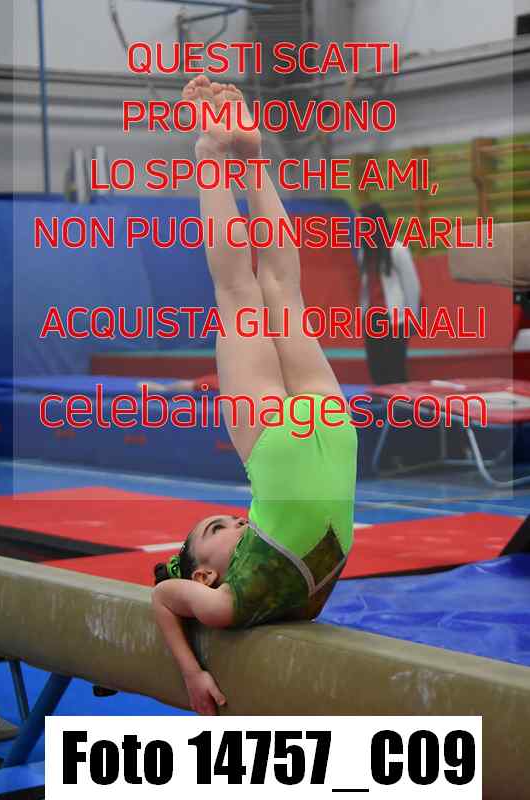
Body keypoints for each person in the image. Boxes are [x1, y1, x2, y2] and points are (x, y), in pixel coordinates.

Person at [152, 76, 358, 716]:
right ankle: (244, 156)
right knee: (279, 291)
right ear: (207, 571)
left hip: (285, 449)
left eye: (216, 524)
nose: (233, 520)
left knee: (245, 292)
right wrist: (192, 673)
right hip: (326, 434)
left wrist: (192, 671)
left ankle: (218, 156)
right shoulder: (231, 598)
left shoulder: (226, 602)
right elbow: (165, 593)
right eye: (221, 527)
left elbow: (164, 597)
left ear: (203, 575)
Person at [357, 202, 421, 384]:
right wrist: (363, 316)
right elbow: (365, 288)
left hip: (395, 319)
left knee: (395, 371)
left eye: (363, 224)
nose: (360, 229)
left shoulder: (397, 250)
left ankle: (399, 402)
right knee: (377, 370)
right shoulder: (364, 252)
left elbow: (412, 286)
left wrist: (412, 317)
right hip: (373, 319)